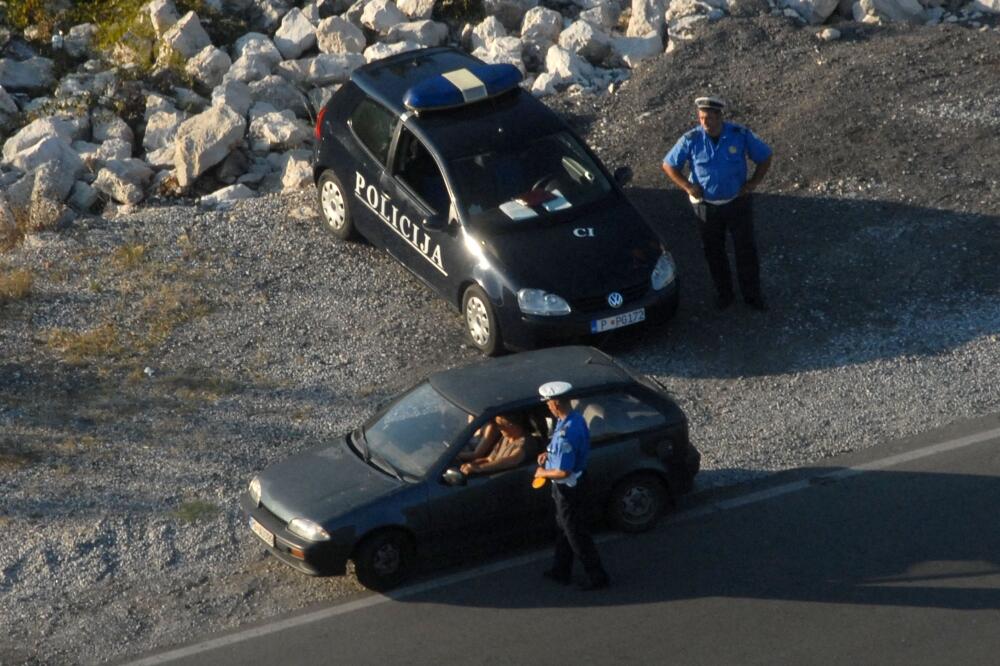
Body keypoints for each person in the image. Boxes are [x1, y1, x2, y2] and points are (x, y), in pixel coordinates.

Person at [661, 95, 773, 311]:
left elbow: (765, 155)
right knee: (714, 252)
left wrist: (753, 182)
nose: (706, 123)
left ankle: (752, 296)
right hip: (706, 206)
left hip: (736, 203)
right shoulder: (691, 139)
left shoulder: (739, 135)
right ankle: (724, 295)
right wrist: (687, 186)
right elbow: (669, 164)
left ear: (720, 117)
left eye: (710, 118)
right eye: (702, 118)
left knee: (745, 251)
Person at [534, 381, 610, 591]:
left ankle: (597, 576)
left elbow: (563, 471)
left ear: (556, 403)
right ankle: (561, 569)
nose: (547, 406)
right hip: (577, 482)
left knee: (575, 533)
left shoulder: (565, 433)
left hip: (568, 488)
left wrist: (542, 472)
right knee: (564, 527)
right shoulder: (573, 419)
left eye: (549, 402)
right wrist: (547, 454)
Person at [460, 414, 533, 475]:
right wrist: (472, 464)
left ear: (511, 425)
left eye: (501, 426)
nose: (499, 429)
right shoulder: (506, 438)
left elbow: (509, 461)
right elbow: (490, 459)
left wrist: (479, 468)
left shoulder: (526, 443)